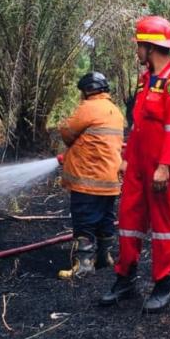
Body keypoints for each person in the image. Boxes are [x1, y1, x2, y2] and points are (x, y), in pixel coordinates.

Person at [101, 15, 170, 312]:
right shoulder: (145, 81)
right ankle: (126, 277)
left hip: (162, 166)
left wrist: (164, 166)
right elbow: (139, 125)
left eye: (139, 45)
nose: (136, 51)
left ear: (150, 47)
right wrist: (127, 160)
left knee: (164, 226)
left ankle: (163, 284)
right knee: (129, 220)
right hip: (138, 164)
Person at [56, 71, 124, 279]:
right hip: (110, 180)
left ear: (87, 90)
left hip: (88, 181)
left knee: (84, 221)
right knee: (105, 219)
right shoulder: (115, 110)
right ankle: (104, 257)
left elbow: (66, 132)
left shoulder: (88, 108)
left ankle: (84, 264)